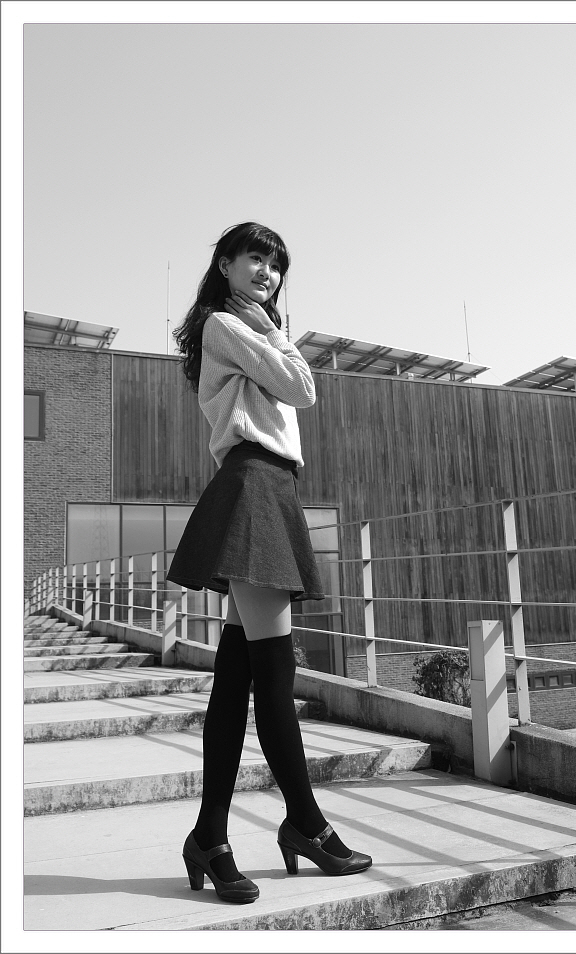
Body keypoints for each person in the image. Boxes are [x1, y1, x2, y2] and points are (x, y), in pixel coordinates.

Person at [167, 222, 371, 903]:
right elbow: (301, 387)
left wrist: (274, 329)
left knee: (237, 678)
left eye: (276, 264)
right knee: (276, 673)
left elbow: (292, 388)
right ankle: (305, 824)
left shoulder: (248, 327)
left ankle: (210, 836)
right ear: (225, 265)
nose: (267, 272)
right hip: (253, 483)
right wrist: (278, 332)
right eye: (254, 258)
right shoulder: (227, 325)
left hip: (270, 486)